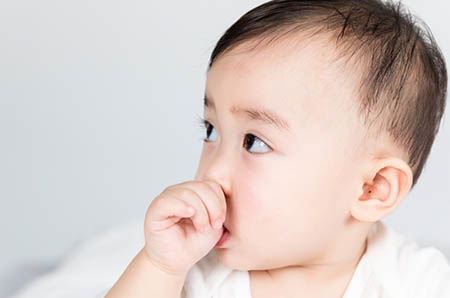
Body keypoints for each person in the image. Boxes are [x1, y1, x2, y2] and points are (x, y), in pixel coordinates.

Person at [9, 0, 450, 297]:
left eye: (255, 142)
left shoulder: (417, 281)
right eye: (210, 131)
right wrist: (160, 267)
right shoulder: (199, 273)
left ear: (372, 188)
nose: (212, 173)